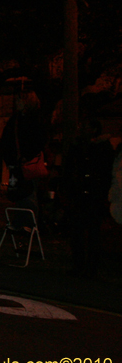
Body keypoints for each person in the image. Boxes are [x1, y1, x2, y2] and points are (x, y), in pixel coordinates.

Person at [63, 118, 115, 278]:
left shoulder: (102, 147)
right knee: (78, 230)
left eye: (85, 126)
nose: (81, 129)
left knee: (93, 232)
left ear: (93, 129)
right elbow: (69, 167)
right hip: (80, 193)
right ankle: (79, 265)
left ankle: (91, 267)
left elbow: (106, 172)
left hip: (94, 194)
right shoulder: (78, 145)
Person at [0, 90, 47, 218]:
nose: (16, 102)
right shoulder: (16, 119)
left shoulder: (33, 119)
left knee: (28, 193)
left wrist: (26, 156)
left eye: (19, 100)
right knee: (19, 193)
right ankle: (21, 221)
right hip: (17, 162)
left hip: (26, 163)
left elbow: (38, 141)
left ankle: (28, 222)